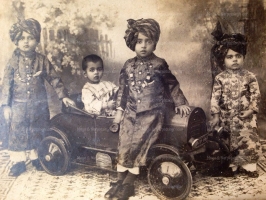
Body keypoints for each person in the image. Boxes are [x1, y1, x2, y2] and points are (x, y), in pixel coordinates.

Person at [104, 18, 191, 200]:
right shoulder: (128, 65)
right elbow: (123, 92)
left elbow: (172, 85)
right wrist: (119, 113)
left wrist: (180, 102)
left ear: (154, 42)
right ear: (132, 44)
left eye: (148, 41)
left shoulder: (160, 64)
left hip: (151, 115)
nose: (143, 46)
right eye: (138, 42)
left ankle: (128, 185)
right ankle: (119, 182)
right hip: (130, 113)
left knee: (138, 145)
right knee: (125, 143)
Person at [1, 18, 75, 177]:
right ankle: (18, 162)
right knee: (18, 132)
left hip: (39, 106)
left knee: (38, 131)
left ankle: (38, 158)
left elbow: (54, 78)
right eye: (22, 38)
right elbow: (6, 84)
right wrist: (5, 106)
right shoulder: (13, 62)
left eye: (30, 38)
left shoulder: (42, 60)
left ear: (36, 40)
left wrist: (63, 97)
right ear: (16, 40)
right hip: (18, 106)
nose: (26, 42)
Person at [209, 30, 261, 178]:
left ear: (243, 57)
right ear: (223, 60)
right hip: (227, 118)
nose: (235, 60)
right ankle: (232, 167)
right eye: (230, 57)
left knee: (247, 142)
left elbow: (256, 95)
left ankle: (249, 167)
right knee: (228, 143)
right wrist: (216, 115)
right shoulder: (220, 78)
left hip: (245, 119)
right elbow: (215, 97)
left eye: (238, 56)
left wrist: (251, 110)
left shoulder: (249, 77)